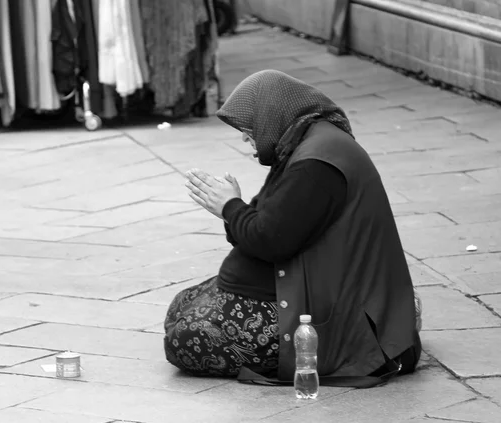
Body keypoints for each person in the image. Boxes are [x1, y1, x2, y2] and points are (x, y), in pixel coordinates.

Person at [164, 69, 422, 384]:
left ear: (272, 117)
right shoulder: (304, 142)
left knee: (182, 340)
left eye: (248, 127)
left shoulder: (316, 165)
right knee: (180, 306)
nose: (245, 137)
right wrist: (232, 210)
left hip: (319, 309)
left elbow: (271, 239)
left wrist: (229, 207)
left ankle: (389, 323)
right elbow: (261, 221)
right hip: (298, 285)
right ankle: (400, 313)